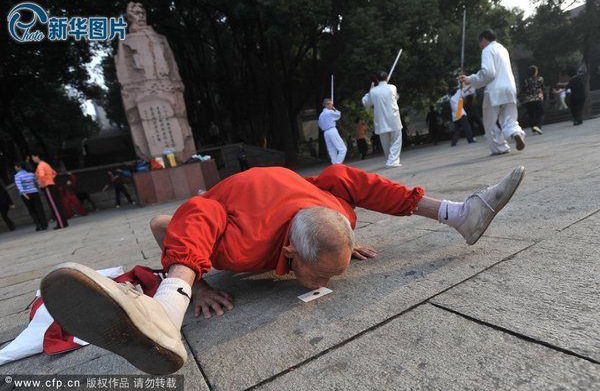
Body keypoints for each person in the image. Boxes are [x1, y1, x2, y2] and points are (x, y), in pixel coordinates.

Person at [40, 164, 525, 375]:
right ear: (290, 255)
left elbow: (340, 195)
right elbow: (160, 221)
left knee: (342, 176)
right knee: (192, 216)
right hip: (236, 203)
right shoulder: (244, 245)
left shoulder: (338, 216)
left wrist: (338, 246)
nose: (326, 283)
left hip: (302, 197)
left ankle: (456, 213)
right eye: (318, 274)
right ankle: (165, 312)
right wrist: (197, 282)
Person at [459, 29, 526, 155]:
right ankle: (515, 133)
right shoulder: (503, 49)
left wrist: (470, 79)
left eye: (480, 43)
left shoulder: (487, 50)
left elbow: (488, 72)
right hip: (509, 87)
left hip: (494, 90)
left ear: (484, 40)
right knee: (509, 117)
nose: (480, 46)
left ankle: (500, 147)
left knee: (490, 121)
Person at [362, 71, 403, 167]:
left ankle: (390, 159)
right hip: (393, 118)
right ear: (387, 78)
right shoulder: (392, 87)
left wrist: (369, 92)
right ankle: (392, 161)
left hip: (381, 120)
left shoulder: (373, 91)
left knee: (385, 142)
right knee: (396, 140)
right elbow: (396, 97)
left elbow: (366, 103)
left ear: (376, 80)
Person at [31, 154, 69, 229]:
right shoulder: (45, 164)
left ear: (37, 156)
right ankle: (63, 222)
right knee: (57, 205)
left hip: (48, 187)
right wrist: (50, 179)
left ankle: (61, 224)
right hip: (51, 185)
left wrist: (42, 184)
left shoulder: (40, 166)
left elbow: (41, 176)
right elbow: (54, 173)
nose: (32, 159)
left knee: (54, 206)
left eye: (33, 157)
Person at [14, 163, 48, 231]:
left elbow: (19, 186)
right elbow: (36, 183)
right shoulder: (31, 174)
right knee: (39, 208)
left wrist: (23, 193)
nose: (15, 168)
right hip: (35, 192)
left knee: (32, 210)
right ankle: (44, 224)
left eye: (15, 166)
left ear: (19, 167)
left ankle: (38, 224)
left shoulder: (17, 176)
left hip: (26, 194)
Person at [318, 99, 347, 164]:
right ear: (327, 105)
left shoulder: (321, 115)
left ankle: (334, 164)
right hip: (332, 130)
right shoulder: (329, 112)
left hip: (325, 132)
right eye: (331, 104)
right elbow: (338, 115)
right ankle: (337, 164)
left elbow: (319, 124)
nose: (332, 105)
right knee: (343, 149)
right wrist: (334, 109)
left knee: (332, 151)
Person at [520, 65, 545, 135]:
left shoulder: (526, 81)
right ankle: (538, 126)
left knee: (531, 114)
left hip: (528, 100)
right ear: (535, 72)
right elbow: (543, 87)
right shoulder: (540, 79)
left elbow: (523, 90)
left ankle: (533, 127)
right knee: (540, 113)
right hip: (538, 99)